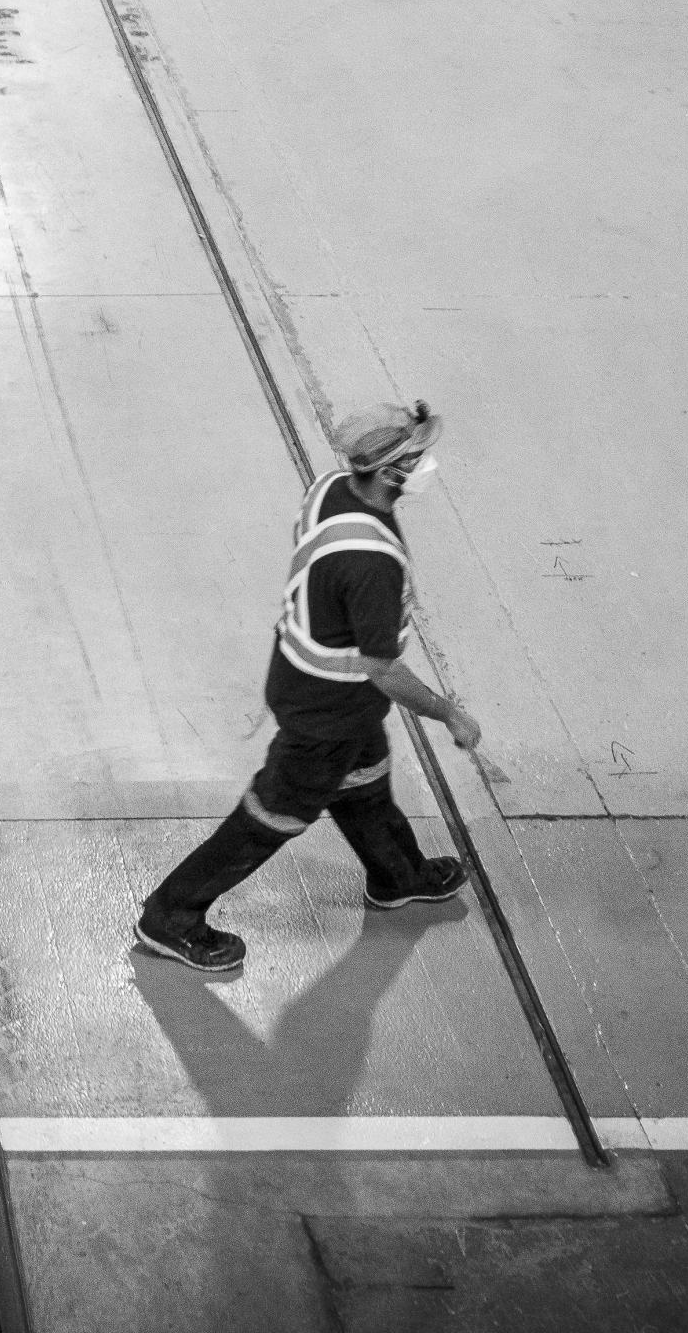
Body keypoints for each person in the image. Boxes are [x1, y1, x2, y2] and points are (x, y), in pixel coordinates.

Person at [133, 400, 478, 974]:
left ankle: (399, 875)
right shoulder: (371, 564)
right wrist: (449, 714)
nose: (427, 465)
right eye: (418, 457)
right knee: (274, 815)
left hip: (310, 681)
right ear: (390, 472)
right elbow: (384, 668)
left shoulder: (332, 487)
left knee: (365, 779)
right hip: (326, 710)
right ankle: (170, 917)